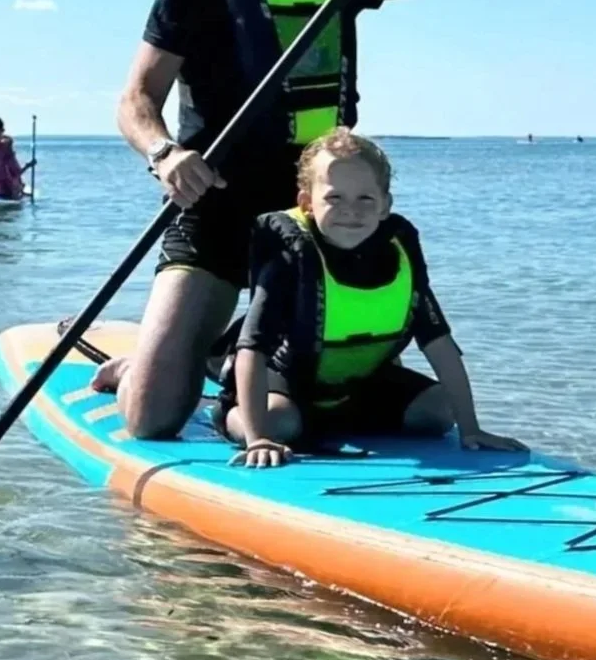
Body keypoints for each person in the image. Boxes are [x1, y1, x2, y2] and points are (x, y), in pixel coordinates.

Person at [92, 0, 512, 439]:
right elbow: (135, 100)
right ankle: (152, 362)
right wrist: (165, 154)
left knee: (345, 376)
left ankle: (224, 358)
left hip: (311, 216)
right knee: (150, 419)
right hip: (216, 205)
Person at [217, 128, 528, 468]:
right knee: (283, 425)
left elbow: (439, 344)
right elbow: (253, 349)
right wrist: (257, 437)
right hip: (287, 383)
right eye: (335, 198)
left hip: (358, 387)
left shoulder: (400, 253)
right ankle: (231, 416)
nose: (351, 210)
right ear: (307, 202)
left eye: (365, 198)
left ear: (385, 205)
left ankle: (339, 423)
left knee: (440, 411)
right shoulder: (292, 257)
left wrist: (471, 429)